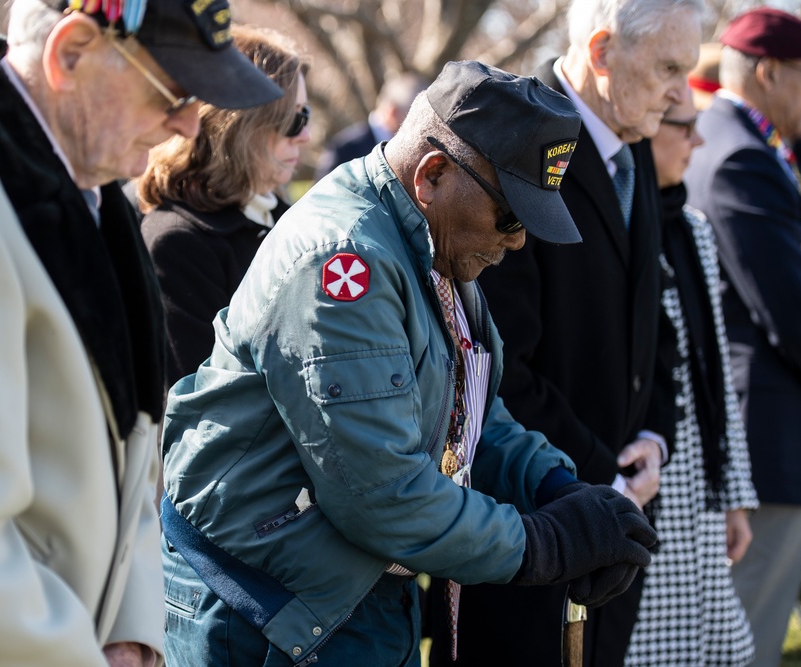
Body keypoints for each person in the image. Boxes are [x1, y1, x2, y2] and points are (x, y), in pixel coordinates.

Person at [0, 0, 281, 664]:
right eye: (173, 88)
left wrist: (129, 627)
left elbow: (131, 453)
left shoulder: (84, 194)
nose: (187, 121)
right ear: (70, 53)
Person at [161, 61, 659, 666]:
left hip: (337, 595)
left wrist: (557, 485)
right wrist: (544, 543)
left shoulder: (424, 238)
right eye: (510, 216)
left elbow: (467, 412)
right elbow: (386, 495)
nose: (518, 241)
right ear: (434, 174)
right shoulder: (346, 262)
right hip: (271, 614)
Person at [439, 1, 703, 665]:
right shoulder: (519, 137)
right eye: (670, 67)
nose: (683, 92)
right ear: (604, 50)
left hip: (613, 512)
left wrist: (652, 439)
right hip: (535, 521)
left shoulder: (632, 147)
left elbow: (651, 316)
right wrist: (596, 472)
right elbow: (500, 362)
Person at [683, 8, 801, 666]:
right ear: (767, 73)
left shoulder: (730, 137)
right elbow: (791, 313)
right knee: (748, 641)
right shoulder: (741, 158)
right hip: (771, 439)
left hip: (764, 435)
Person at [624, 87, 758, 667]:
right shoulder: (621, 222)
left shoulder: (693, 226)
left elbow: (713, 369)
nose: (698, 142)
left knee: (716, 646)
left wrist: (735, 494)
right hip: (651, 480)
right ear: (646, 130)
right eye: (684, 127)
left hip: (700, 478)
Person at [140, 25, 311, 388]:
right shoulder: (176, 241)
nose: (305, 135)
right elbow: (203, 401)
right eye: (294, 118)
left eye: (305, 115)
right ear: (242, 125)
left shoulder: (287, 218)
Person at [313, 71, 426, 180]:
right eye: (415, 116)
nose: (420, 124)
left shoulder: (415, 151)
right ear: (393, 112)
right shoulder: (343, 150)